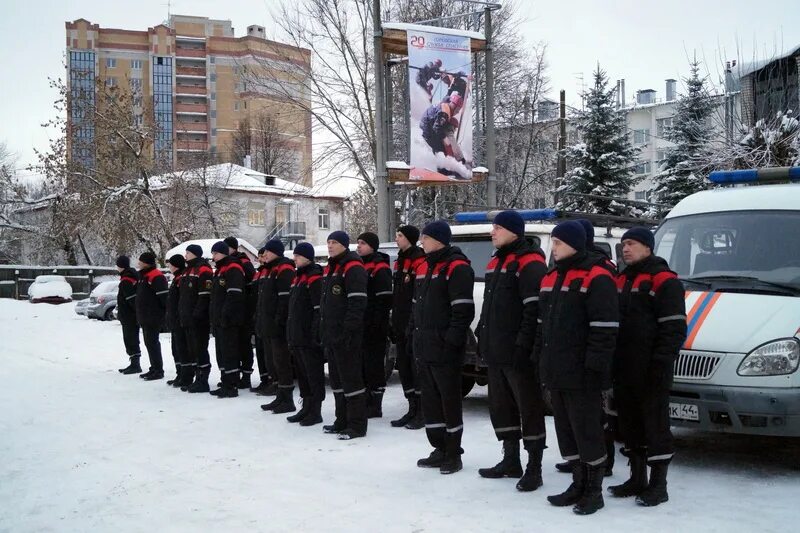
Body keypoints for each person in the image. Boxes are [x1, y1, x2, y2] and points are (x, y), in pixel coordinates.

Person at [535, 221, 618, 515]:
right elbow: (541, 325)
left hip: (583, 372)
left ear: (573, 243)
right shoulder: (552, 276)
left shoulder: (597, 275)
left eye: (557, 243)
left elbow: (605, 328)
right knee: (565, 431)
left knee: (587, 431)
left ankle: (594, 490)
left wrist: (595, 367)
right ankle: (577, 482)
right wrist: (539, 359)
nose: (553, 249)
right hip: (556, 369)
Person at [609, 227, 686, 507]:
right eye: (623, 245)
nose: (625, 249)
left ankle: (658, 484)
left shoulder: (665, 281)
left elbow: (674, 329)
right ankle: (637, 478)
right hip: (624, 368)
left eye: (630, 244)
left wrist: (660, 364)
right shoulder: (622, 279)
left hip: (652, 370)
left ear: (647, 247)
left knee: (655, 427)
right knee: (629, 425)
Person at [476, 211, 548, 492]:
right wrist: (482, 333)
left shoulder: (530, 263)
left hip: (519, 355)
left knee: (529, 409)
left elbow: (534, 310)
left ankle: (535, 466)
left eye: (498, 228)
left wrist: (523, 346)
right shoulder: (496, 261)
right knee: (501, 408)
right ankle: (511, 459)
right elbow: (490, 306)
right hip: (496, 351)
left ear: (514, 231)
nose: (493, 232)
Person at [412, 220, 475, 475]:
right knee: (431, 401)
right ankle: (438, 447)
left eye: (425, 237)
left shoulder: (457, 267)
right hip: (425, 347)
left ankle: (453, 452)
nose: (421, 242)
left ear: (438, 239)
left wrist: (450, 342)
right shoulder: (427, 267)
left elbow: (462, 312)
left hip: (444, 349)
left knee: (449, 401)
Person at [319, 231, 369, 440]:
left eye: (334, 242)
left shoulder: (353, 266)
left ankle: (357, 424)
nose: (330, 246)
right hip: (332, 334)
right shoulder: (332, 267)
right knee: (337, 382)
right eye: (328, 242)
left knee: (351, 381)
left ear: (344, 245)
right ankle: (342, 419)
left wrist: (348, 331)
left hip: (347, 335)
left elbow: (357, 303)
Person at [390, 225, 426, 429]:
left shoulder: (419, 260)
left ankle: (422, 411)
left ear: (410, 239)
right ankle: (412, 408)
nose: (396, 239)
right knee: (404, 367)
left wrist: (413, 323)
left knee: (415, 368)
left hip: (413, 324)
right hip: (400, 322)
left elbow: (417, 296)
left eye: (400, 235)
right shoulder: (400, 260)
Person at [286, 242, 325, 426]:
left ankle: (315, 410)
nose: (295, 259)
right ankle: (306, 407)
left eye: (298, 256)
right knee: (302, 374)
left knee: (313, 374)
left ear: (307, 257)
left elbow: (318, 309)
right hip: (297, 335)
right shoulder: (297, 278)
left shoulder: (314, 277)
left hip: (309, 336)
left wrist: (314, 332)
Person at [355, 231, 393, 419]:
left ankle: (375, 403)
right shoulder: (359, 265)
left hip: (375, 326)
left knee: (374, 365)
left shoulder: (380, 267)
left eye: (362, 243)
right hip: (360, 324)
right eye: (358, 242)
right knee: (361, 363)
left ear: (372, 246)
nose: (358, 246)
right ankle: (364, 399)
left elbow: (384, 299)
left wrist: (377, 324)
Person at [257, 239, 297, 414]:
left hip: (277, 325)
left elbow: (284, 299)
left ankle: (287, 399)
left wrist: (279, 320)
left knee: (282, 362)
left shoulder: (284, 269)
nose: (264, 254)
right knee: (272, 362)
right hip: (267, 324)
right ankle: (280, 395)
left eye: (267, 251)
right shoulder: (269, 269)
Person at [209, 241, 246, 398]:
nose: (213, 257)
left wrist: (226, 314)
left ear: (223, 253)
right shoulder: (220, 270)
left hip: (229, 319)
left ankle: (231, 385)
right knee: (221, 353)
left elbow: (234, 294)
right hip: (219, 319)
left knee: (229, 352)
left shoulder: (233, 268)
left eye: (215, 253)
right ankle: (225, 381)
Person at [179, 244, 213, 393]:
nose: (185, 255)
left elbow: (204, 295)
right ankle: (196, 377)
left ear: (194, 254)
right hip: (187, 317)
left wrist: (197, 314)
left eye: (187, 253)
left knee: (200, 348)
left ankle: (203, 380)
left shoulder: (203, 269)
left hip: (198, 319)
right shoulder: (187, 270)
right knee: (192, 349)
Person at [224, 237, 257, 390]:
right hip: (235, 309)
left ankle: (246, 376)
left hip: (244, 309)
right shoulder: (228, 263)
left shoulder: (243, 262)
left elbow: (252, 282)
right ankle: (234, 375)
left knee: (244, 344)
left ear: (233, 248)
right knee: (233, 345)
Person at [135, 252, 169, 381]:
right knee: (149, 343)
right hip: (145, 316)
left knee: (153, 343)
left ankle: (158, 369)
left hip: (153, 316)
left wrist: (162, 313)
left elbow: (163, 297)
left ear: (146, 262)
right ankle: (153, 367)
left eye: (140, 261)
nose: (138, 263)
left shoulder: (156, 276)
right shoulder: (143, 276)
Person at [251, 248, 276, 395]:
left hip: (267, 319)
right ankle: (264, 379)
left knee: (272, 354)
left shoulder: (270, 272)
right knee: (261, 353)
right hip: (259, 317)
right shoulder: (259, 273)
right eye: (260, 256)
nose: (261, 258)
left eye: (263, 255)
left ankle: (273, 382)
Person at [165, 254, 190, 389]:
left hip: (180, 319)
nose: (168, 267)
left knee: (182, 349)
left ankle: (185, 376)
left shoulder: (181, 279)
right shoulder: (177, 279)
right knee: (176, 349)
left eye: (170, 264)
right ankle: (179, 373)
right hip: (175, 319)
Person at [116, 255, 142, 375]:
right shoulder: (132, 276)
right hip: (132, 314)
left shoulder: (126, 279)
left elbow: (130, 299)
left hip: (128, 315)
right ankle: (134, 362)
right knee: (132, 338)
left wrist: (132, 312)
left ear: (120, 266)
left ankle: (135, 364)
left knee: (130, 338)